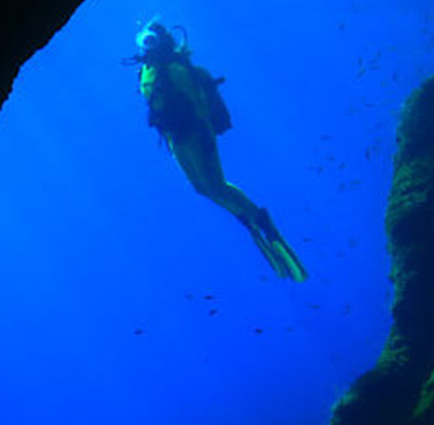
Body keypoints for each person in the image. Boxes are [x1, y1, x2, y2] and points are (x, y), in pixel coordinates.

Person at [131, 20, 307, 281]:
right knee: (201, 188)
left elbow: (198, 104)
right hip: (175, 138)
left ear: (163, 43)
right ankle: (245, 218)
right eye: (144, 41)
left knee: (217, 185)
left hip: (197, 135)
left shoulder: (175, 69)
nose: (147, 46)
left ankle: (262, 221)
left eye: (152, 41)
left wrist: (206, 137)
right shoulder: (146, 71)